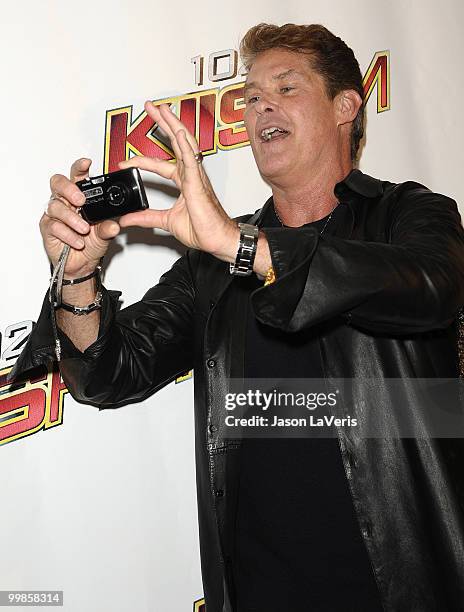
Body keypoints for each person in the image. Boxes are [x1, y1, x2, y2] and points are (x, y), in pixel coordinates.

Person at [11, 22, 464, 612]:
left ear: (346, 105)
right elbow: (108, 371)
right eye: (250, 97)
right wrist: (76, 273)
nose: (260, 107)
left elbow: (431, 287)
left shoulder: (410, 213)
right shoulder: (213, 260)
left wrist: (241, 245)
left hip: (409, 586)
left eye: (285, 87)